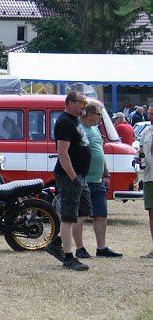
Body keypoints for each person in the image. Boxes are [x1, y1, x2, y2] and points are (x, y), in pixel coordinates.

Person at [43, 91, 92, 271]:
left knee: (85, 211)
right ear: (70, 103)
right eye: (82, 103)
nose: (84, 106)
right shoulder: (64, 122)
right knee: (69, 216)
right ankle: (69, 257)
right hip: (69, 175)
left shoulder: (74, 121)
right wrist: (73, 177)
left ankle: (56, 242)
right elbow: (62, 153)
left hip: (80, 175)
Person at [72, 102, 122, 258]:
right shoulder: (78, 129)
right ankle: (80, 248)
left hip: (97, 180)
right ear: (88, 113)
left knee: (101, 214)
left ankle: (102, 248)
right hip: (83, 179)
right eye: (99, 114)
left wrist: (106, 173)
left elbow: (99, 152)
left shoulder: (95, 129)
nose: (100, 117)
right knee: (81, 215)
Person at [139, 108, 153, 259]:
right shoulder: (146, 132)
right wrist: (140, 160)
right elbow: (141, 152)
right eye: (149, 113)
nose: (149, 116)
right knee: (151, 213)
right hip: (150, 177)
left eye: (152, 114)